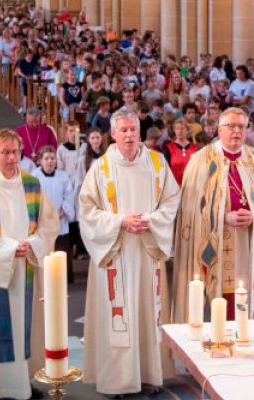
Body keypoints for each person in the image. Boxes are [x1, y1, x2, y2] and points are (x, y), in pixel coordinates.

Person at [78, 109, 180, 396]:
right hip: (116, 252)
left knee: (148, 313)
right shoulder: (101, 168)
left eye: (133, 129)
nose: (129, 135)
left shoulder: (157, 163)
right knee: (119, 315)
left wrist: (150, 220)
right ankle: (119, 380)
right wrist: (120, 221)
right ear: (113, 134)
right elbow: (86, 210)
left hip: (148, 249)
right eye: (123, 130)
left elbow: (172, 198)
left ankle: (149, 375)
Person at [0, 129, 60, 399]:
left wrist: (34, 244)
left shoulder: (31, 184)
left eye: (15, 152)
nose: (11, 158)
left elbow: (49, 224)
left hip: (25, 266)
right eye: (4, 152)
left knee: (25, 326)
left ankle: (23, 383)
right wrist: (7, 249)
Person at [172, 107, 254, 327]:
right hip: (214, 248)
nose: (236, 132)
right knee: (218, 310)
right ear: (219, 129)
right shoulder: (201, 161)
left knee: (246, 301)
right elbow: (188, 211)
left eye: (241, 127)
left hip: (249, 246)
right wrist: (221, 217)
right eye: (230, 127)